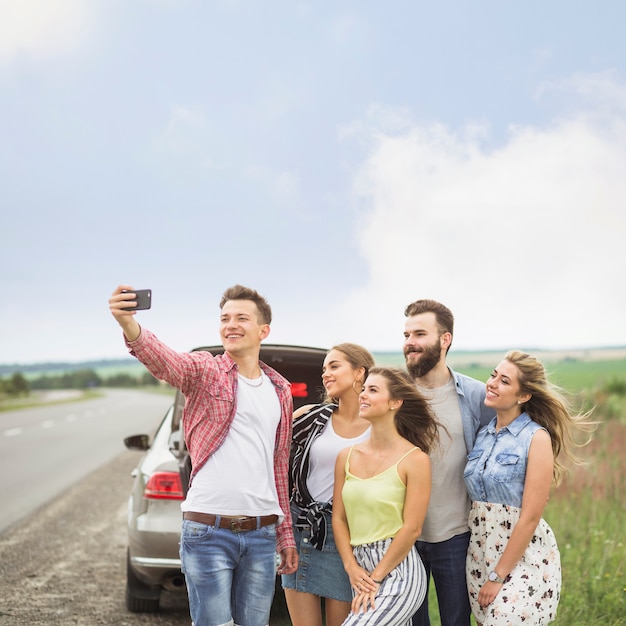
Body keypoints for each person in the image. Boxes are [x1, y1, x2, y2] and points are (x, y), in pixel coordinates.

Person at [109, 284, 297, 626]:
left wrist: (285, 536)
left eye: (242, 317)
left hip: (262, 534)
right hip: (208, 530)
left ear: (263, 330)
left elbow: (278, 467)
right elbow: (167, 362)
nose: (231, 324)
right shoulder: (206, 371)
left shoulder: (280, 390)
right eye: (225, 318)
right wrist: (128, 324)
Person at [464, 350, 594, 625]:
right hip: (479, 555)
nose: (492, 383)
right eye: (493, 375)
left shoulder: (536, 438)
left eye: (504, 381)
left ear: (523, 396)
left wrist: (499, 575)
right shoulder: (482, 435)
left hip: (524, 559)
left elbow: (531, 516)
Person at [403, 299, 494, 626]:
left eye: (420, 333)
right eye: (407, 334)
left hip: (457, 536)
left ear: (445, 339)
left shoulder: (476, 396)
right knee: (411, 622)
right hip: (404, 538)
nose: (410, 342)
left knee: (456, 621)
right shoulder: (397, 395)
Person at [333, 367, 441, 626]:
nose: (363, 395)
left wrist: (378, 577)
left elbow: (412, 528)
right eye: (364, 389)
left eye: (373, 390)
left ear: (395, 402)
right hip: (359, 568)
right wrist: (351, 567)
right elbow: (338, 518)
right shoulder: (346, 457)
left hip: (397, 569)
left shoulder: (415, 460)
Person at [283, 344, 375, 626]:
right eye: (324, 369)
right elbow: (270, 454)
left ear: (359, 373)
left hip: (349, 535)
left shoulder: (380, 424)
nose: (325, 374)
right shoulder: (311, 418)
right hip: (303, 529)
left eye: (334, 366)